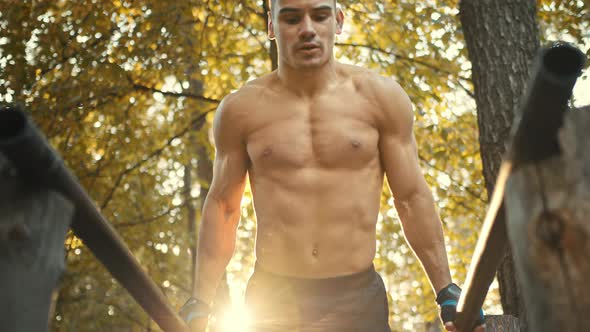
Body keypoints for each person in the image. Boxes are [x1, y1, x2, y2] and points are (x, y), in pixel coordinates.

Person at [180, 0, 485, 331]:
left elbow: (410, 197)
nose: (307, 29)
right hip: (273, 299)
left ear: (338, 21)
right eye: (292, 18)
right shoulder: (240, 110)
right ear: (272, 27)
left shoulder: (381, 99)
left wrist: (446, 290)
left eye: (320, 15)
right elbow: (224, 208)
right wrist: (201, 301)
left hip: (357, 298)